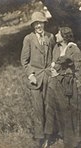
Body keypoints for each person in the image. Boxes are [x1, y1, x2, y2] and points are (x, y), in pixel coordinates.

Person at [44, 27, 81, 148]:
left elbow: (77, 69)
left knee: (72, 109)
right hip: (56, 83)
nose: (55, 35)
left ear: (64, 36)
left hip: (69, 83)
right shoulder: (56, 48)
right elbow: (53, 64)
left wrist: (61, 73)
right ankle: (63, 135)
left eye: (58, 33)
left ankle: (76, 139)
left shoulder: (74, 49)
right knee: (59, 109)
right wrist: (53, 71)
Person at [20, 11, 55, 147]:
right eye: (36, 23)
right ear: (33, 25)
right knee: (38, 109)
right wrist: (31, 75)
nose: (39, 26)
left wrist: (54, 68)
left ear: (44, 23)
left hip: (49, 77)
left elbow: (54, 55)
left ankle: (48, 136)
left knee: (49, 108)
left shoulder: (50, 37)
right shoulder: (28, 39)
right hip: (35, 80)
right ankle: (39, 137)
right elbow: (24, 61)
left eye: (41, 22)